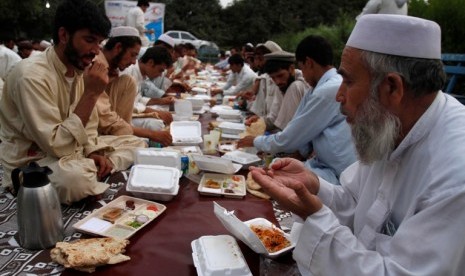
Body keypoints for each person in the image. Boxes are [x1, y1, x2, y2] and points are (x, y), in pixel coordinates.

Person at [251, 14, 465, 275]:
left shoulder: (455, 174)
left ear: (392, 88)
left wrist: (315, 217)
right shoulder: (392, 124)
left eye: (348, 81)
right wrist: (313, 186)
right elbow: (356, 201)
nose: (339, 95)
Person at [0, 0, 146, 205]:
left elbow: (90, 126)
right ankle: (90, 172)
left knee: (137, 143)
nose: (96, 51)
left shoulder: (79, 69)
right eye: (89, 40)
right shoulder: (31, 76)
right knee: (75, 181)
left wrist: (92, 150)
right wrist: (92, 94)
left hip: (72, 151)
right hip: (34, 161)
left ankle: (93, 167)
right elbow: (56, 145)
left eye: (100, 43)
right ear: (63, 35)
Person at [240, 36, 356, 184]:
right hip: (320, 164)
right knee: (271, 171)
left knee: (267, 178)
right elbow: (297, 128)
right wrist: (297, 153)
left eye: (301, 67)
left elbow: (292, 136)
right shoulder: (319, 87)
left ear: (308, 63)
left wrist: (256, 141)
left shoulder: (328, 89)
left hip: (337, 175)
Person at [95, 26, 172, 146]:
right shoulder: (97, 67)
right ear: (118, 48)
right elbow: (106, 117)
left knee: (141, 142)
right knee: (144, 140)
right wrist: (151, 134)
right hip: (97, 131)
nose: (133, 61)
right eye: (132, 55)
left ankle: (123, 138)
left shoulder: (115, 70)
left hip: (113, 125)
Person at [244, 50, 309, 130]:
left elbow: (291, 129)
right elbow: (273, 119)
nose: (277, 81)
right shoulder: (281, 85)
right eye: (273, 78)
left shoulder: (299, 85)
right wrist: (259, 121)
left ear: (291, 69)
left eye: (280, 75)